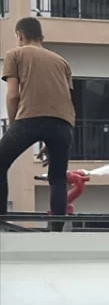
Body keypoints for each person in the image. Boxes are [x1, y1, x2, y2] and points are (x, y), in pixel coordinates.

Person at [1, 17, 75, 219]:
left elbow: (13, 94)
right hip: (64, 124)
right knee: (58, 178)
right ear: (42, 37)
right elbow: (63, 98)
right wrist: (49, 138)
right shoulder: (62, 62)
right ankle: (56, 230)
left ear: (19, 35)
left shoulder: (14, 54)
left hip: (29, 120)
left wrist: (14, 126)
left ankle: (1, 220)